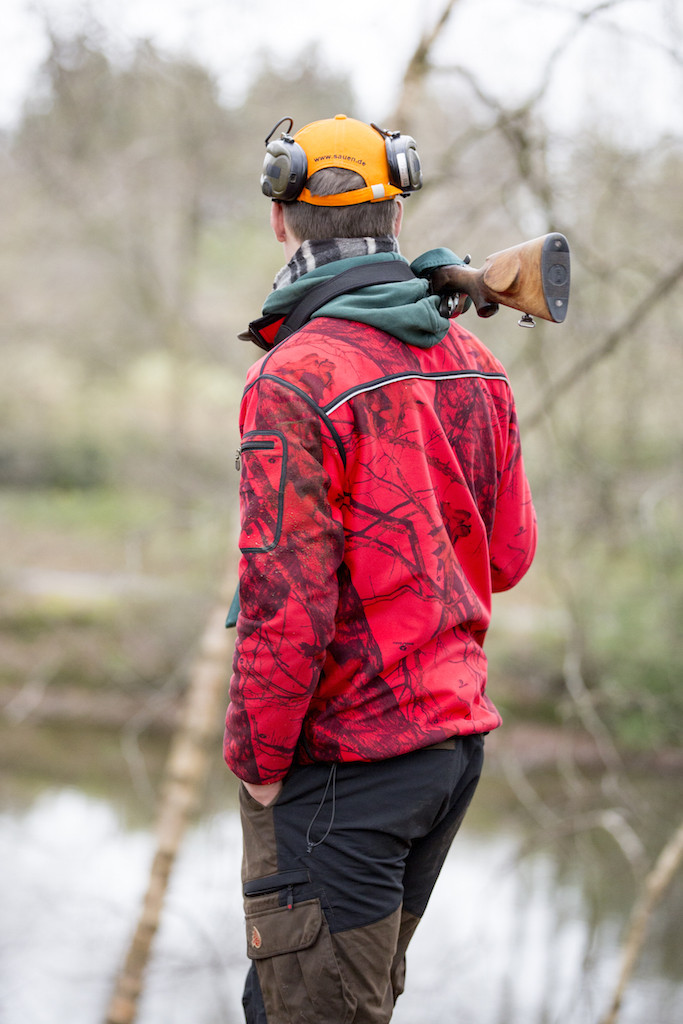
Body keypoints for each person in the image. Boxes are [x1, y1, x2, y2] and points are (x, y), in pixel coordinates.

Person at [223, 113, 537, 1024]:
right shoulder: (476, 362)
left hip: (341, 768)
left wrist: (256, 765)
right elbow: (507, 559)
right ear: (396, 218)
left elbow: (288, 607)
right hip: (449, 751)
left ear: (282, 222)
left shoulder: (294, 377)